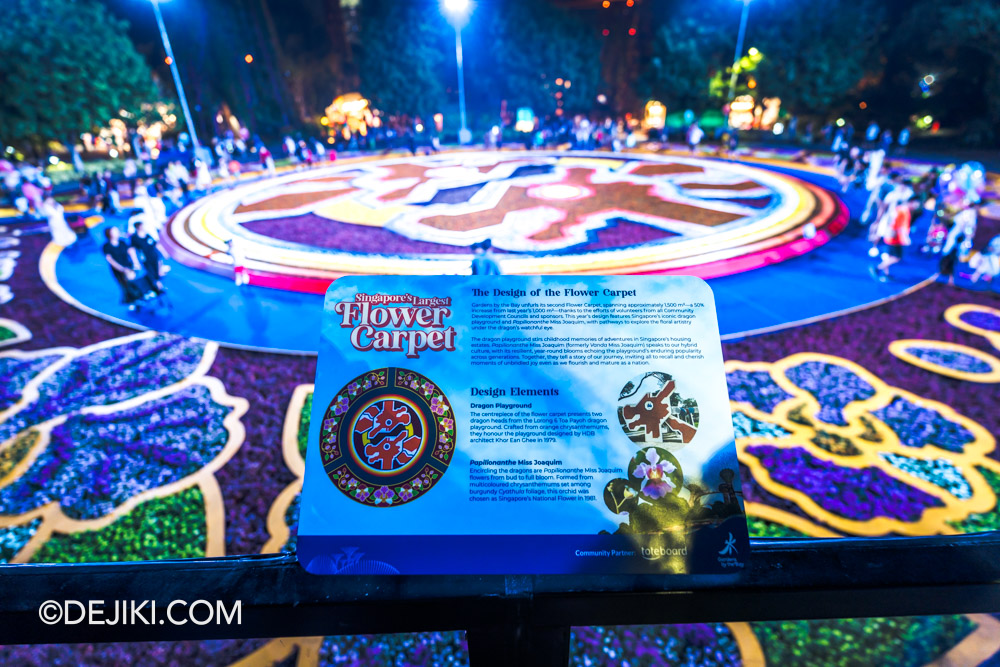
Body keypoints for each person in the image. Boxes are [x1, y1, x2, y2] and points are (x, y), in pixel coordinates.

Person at [871, 198, 916, 281]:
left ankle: (886, 274)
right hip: (894, 238)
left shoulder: (899, 209)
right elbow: (901, 227)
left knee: (889, 256)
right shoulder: (904, 212)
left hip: (890, 236)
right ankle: (878, 268)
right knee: (897, 257)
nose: (916, 206)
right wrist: (905, 239)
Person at [103, 226, 144, 310]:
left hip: (128, 266)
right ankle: (131, 301)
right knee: (125, 285)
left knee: (134, 282)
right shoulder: (107, 247)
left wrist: (135, 262)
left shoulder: (122, 242)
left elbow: (131, 251)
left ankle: (139, 297)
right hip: (118, 270)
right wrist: (122, 269)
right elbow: (111, 260)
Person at [940, 203, 978, 285]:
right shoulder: (967, 214)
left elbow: (971, 229)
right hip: (955, 241)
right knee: (949, 257)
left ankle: (951, 277)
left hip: (960, 242)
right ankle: (946, 274)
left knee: (955, 259)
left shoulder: (972, 215)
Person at [131, 220, 168, 293]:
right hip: (146, 258)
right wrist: (135, 262)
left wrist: (164, 252)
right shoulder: (135, 238)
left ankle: (159, 286)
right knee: (150, 272)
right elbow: (133, 250)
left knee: (158, 270)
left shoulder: (147, 235)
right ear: (138, 227)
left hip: (154, 256)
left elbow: (156, 244)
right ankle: (156, 287)